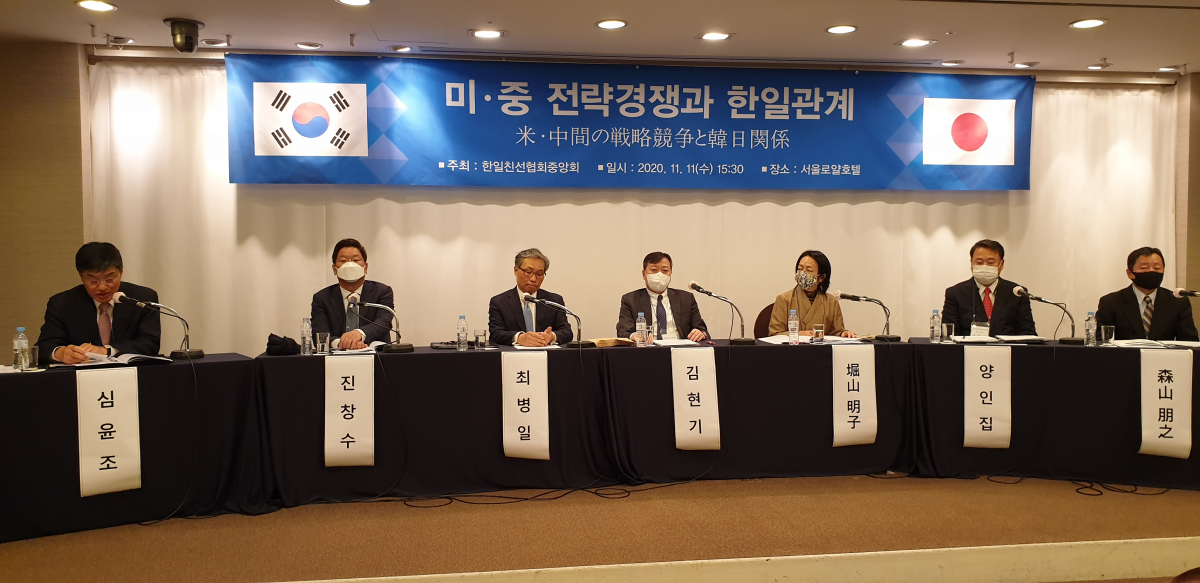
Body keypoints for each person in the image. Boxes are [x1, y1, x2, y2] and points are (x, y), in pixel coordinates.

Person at [36, 242, 161, 365]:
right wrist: (61, 353)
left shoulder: (142, 299)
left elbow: (150, 344)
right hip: (80, 375)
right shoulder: (62, 304)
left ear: (121, 272)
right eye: (93, 280)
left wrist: (107, 350)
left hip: (131, 373)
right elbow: (43, 347)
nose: (102, 287)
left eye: (109, 279)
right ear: (81, 277)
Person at [1096, 247, 1198, 341]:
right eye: (1144, 268)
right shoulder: (1111, 302)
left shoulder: (1178, 301)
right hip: (1126, 355)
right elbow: (1102, 341)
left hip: (1165, 355)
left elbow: (1189, 340)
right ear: (1130, 273)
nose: (1151, 271)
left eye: (1157, 268)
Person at [311, 239, 396, 350]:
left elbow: (384, 323)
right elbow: (319, 334)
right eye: (343, 260)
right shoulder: (322, 298)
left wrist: (359, 333)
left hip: (376, 355)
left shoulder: (382, 291)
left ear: (365, 267)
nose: (350, 265)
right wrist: (343, 343)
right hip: (335, 357)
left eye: (355, 260)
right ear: (335, 269)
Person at [942, 239, 1036, 337]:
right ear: (971, 263)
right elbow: (948, 334)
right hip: (968, 347)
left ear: (1001, 264)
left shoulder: (1017, 293)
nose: (985, 266)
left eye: (990, 263)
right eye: (979, 262)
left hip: (1006, 347)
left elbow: (1028, 333)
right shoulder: (955, 293)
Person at [616, 252, 708, 342]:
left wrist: (701, 333)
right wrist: (633, 336)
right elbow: (623, 332)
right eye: (654, 270)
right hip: (648, 348)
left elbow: (702, 329)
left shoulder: (686, 298)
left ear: (670, 273)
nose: (660, 274)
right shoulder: (630, 300)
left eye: (665, 270)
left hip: (680, 348)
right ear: (644, 274)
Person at [488, 248, 573, 347]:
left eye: (539, 274)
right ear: (516, 271)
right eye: (528, 272)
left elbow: (567, 332)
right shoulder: (499, 302)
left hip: (547, 354)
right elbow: (495, 333)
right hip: (513, 355)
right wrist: (519, 338)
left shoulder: (553, 301)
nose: (533, 279)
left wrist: (551, 336)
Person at [768, 250, 856, 338]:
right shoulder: (784, 299)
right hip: (794, 346)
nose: (803, 273)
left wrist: (843, 334)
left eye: (809, 270)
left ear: (822, 277)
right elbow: (774, 334)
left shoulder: (831, 301)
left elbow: (836, 333)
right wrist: (798, 334)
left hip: (821, 346)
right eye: (800, 269)